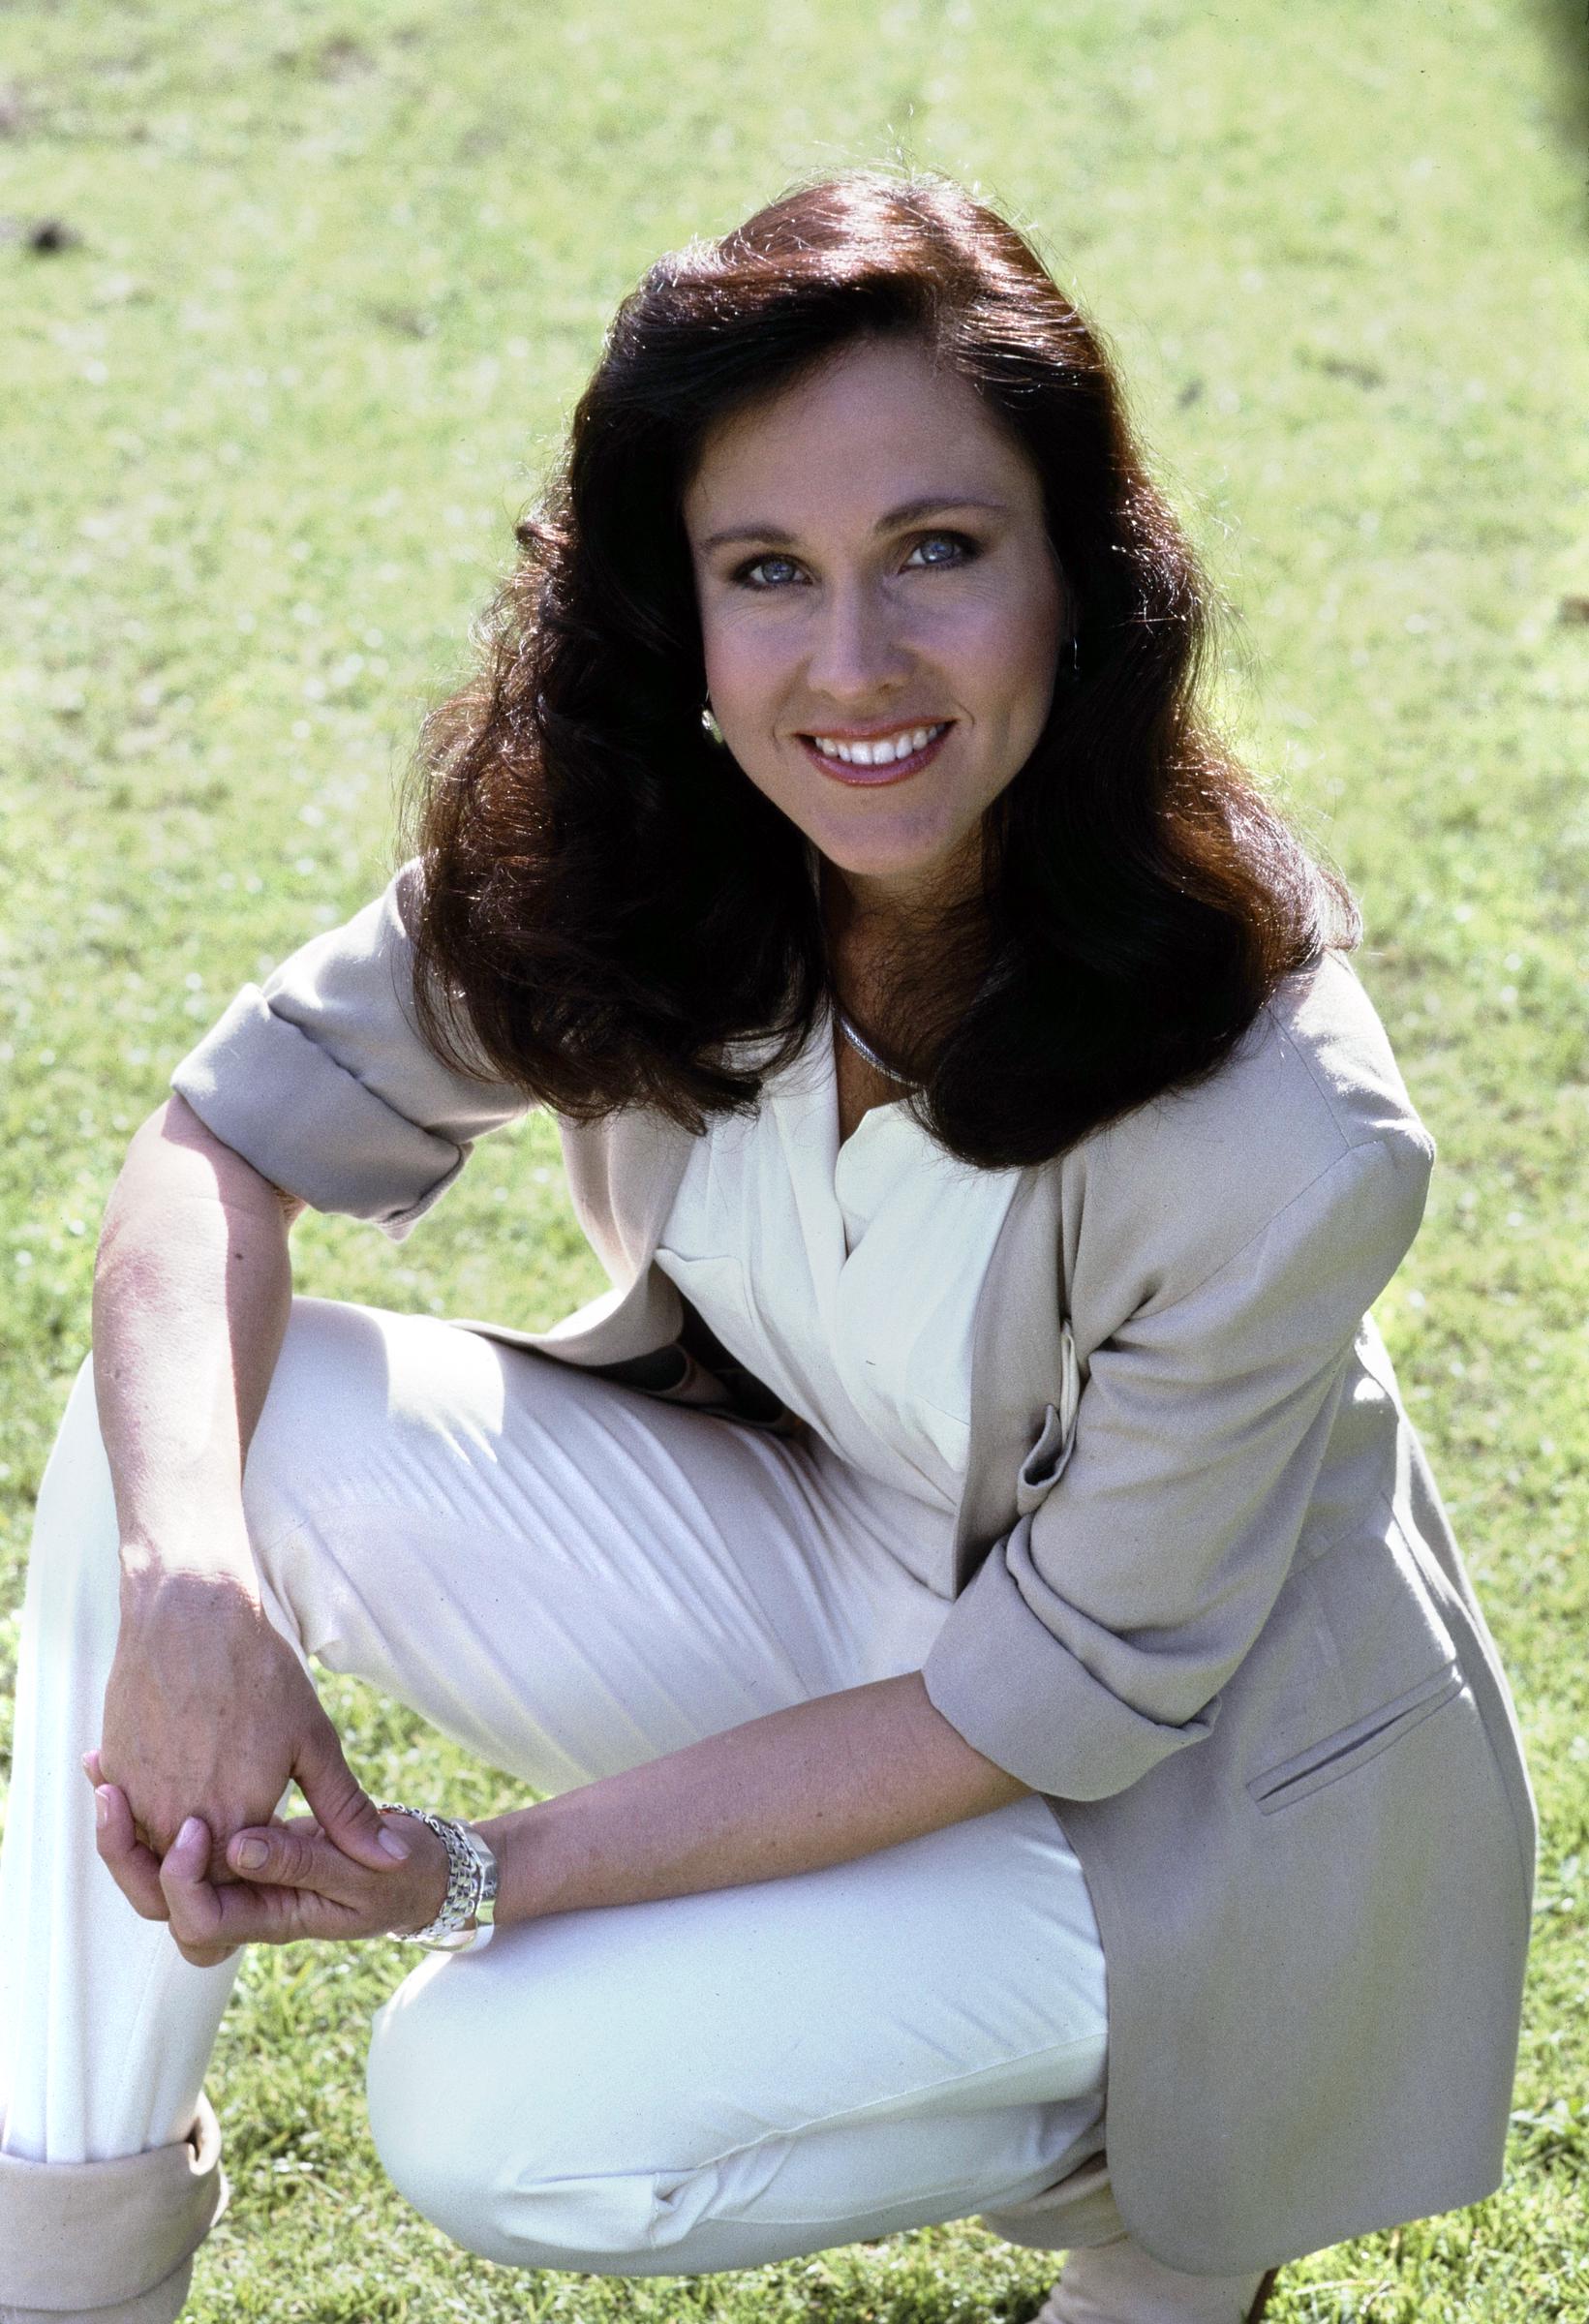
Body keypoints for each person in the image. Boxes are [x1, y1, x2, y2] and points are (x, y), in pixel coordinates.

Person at [0, 168, 1536, 2324]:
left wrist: (469, 1875)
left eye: (935, 552)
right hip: (832, 1580)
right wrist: (195, 1586)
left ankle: (1151, 2169)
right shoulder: (642, 852)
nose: (851, 664)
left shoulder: (1281, 1128)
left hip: (1172, 1798)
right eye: (765, 572)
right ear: (677, 612)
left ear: (1075, 584)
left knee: (482, 2098)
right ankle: (51, 2275)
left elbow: (1043, 1702)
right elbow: (210, 1153)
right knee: (181, 1431)